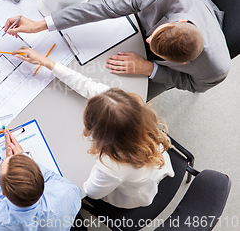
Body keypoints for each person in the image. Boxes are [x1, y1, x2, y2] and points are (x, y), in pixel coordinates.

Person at [4, 0, 231, 100]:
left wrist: (149, 68)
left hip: (160, 68)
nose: (148, 40)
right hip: (178, 10)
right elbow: (104, 7)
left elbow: (190, 84)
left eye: (152, 44)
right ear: (179, 21)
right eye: (154, 36)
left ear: (181, 63)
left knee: (116, 100)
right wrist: (41, 25)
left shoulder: (215, 69)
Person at [11, 46, 174, 209]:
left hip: (135, 195)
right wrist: (46, 62)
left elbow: (92, 192)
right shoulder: (125, 108)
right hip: (154, 164)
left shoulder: (111, 166)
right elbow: (86, 85)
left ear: (99, 135)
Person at [0, 129, 82, 230]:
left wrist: (4, 172)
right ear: (43, 182)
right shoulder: (68, 194)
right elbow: (58, 180)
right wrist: (23, 159)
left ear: (2, 192)